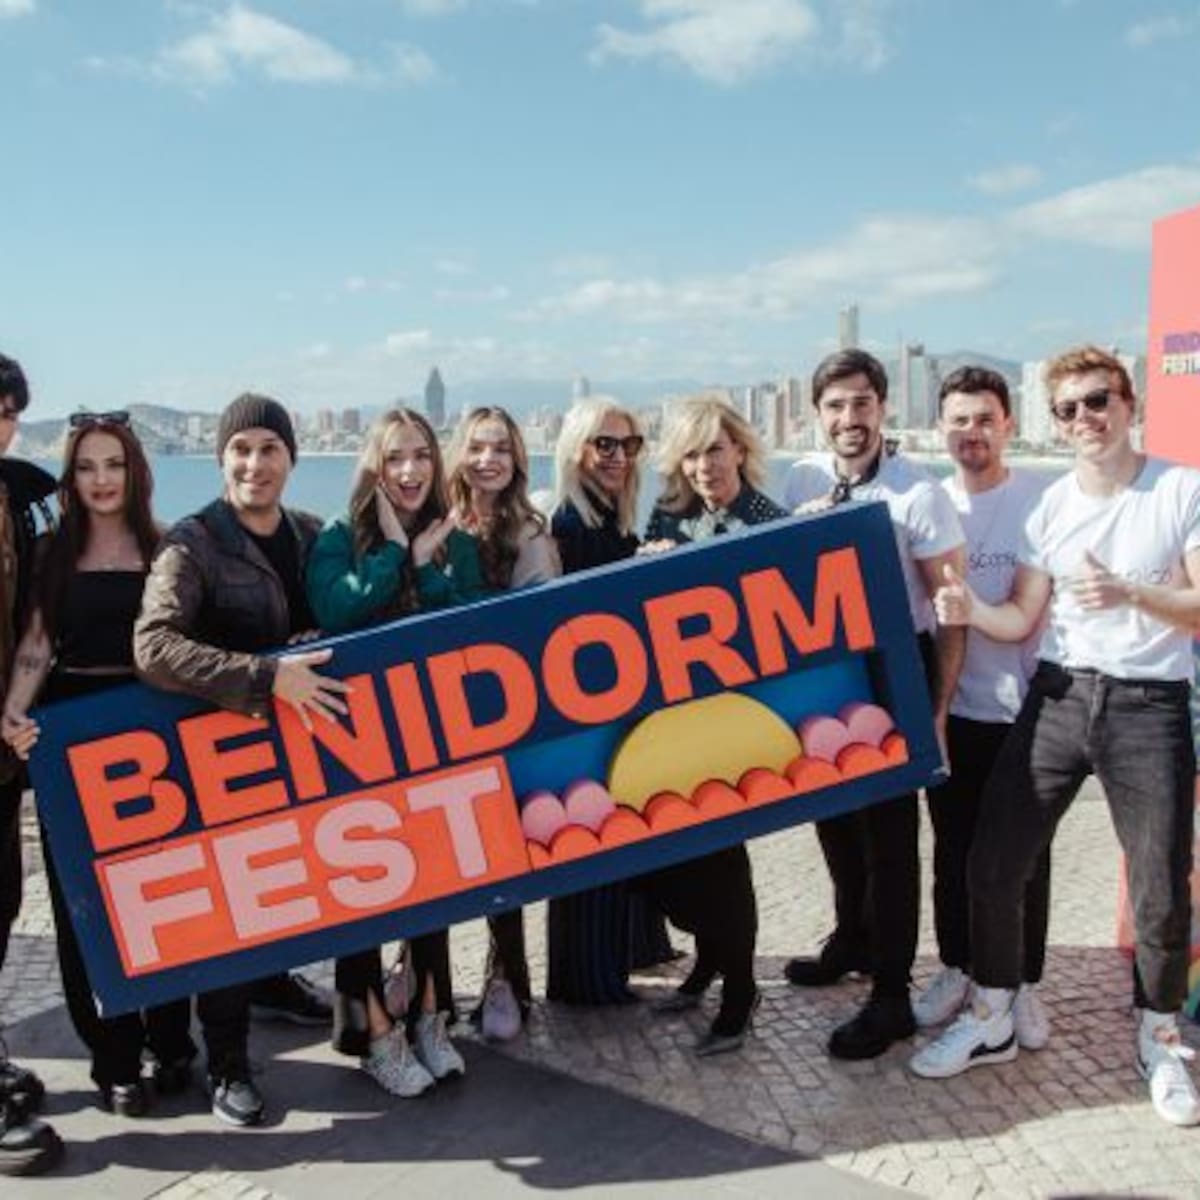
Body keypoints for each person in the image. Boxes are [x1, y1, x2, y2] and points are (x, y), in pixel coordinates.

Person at [911, 346, 1200, 1130]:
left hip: (1149, 704)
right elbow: (1020, 619)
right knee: (992, 862)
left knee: (1160, 885)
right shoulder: (1052, 508)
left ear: (1130, 402)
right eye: (1068, 408)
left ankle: (1160, 1038)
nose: (1084, 418)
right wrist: (967, 608)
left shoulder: (1180, 489)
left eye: (1098, 400)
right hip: (1060, 694)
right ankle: (994, 1013)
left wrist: (1131, 592)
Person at [134, 394, 341, 1127]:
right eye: (241, 450)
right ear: (222, 459)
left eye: (269, 449)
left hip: (293, 757)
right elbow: (154, 646)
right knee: (230, 908)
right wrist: (264, 675)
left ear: (291, 458)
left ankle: (272, 983)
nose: (256, 464)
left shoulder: (313, 534)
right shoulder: (193, 543)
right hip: (218, 758)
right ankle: (226, 1065)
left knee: (286, 889)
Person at [2, 412, 196, 1117]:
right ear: (71, 477)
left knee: (165, 899)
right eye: (86, 467)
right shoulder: (53, 551)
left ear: (135, 471)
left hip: (153, 739)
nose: (101, 479)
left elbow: (191, 640)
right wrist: (13, 712)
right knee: (82, 909)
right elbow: (35, 643)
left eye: (113, 464)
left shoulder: (167, 545)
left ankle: (172, 1041)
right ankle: (113, 1060)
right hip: (72, 739)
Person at [782, 349, 966, 1061]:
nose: (849, 418)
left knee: (891, 840)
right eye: (836, 405)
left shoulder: (919, 493)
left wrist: (937, 711)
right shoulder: (802, 478)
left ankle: (890, 994)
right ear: (818, 413)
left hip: (895, 668)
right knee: (832, 818)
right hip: (828, 671)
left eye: (862, 403)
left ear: (883, 408)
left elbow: (949, 613)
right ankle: (851, 939)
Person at [307, 406, 483, 1091]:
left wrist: (431, 566)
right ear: (373, 466)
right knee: (363, 888)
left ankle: (431, 1015)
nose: (410, 471)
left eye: (422, 456)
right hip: (355, 744)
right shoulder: (336, 537)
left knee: (436, 879)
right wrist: (394, 555)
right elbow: (337, 612)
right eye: (395, 458)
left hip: (433, 736)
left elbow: (471, 629)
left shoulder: (455, 539)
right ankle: (376, 1033)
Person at [640, 393, 785, 1055]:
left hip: (738, 716)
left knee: (726, 861)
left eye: (716, 451)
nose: (705, 467)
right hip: (678, 719)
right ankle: (706, 964)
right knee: (684, 857)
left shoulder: (766, 519)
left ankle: (740, 990)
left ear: (740, 450)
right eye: (693, 454)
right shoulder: (670, 516)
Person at [910, 368, 1052, 1046]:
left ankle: (1023, 981)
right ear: (941, 429)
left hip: (1027, 709)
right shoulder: (931, 504)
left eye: (985, 418)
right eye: (960, 420)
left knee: (1026, 855)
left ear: (1008, 424)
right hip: (952, 707)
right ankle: (960, 967)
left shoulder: (1039, 501)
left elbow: (1032, 611)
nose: (972, 432)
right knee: (953, 848)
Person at [546, 396, 675, 1006]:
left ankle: (629, 951)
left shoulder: (612, 520)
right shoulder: (571, 525)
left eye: (629, 444)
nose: (619, 456)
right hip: (588, 710)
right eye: (605, 443)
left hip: (612, 704)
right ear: (576, 450)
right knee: (593, 836)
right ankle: (589, 980)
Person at [446, 406, 558, 1038]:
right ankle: (424, 978)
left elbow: (537, 619)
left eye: (502, 449)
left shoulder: (529, 531)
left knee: (502, 850)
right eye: (477, 447)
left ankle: (506, 976)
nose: (488, 460)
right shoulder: (436, 521)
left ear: (517, 460)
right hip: (440, 710)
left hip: (502, 711)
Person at [0, 354, 62, 1177]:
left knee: (2, 902)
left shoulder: (22, 494)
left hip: (5, 743)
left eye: (8, 413)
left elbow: (36, 619)